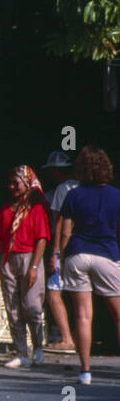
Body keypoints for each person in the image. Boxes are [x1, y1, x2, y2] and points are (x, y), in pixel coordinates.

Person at [56, 145, 120, 386]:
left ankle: (85, 371)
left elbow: (65, 231)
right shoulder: (117, 196)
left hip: (77, 254)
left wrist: (61, 258)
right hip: (107, 254)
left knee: (83, 316)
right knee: (118, 316)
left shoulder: (74, 195)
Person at [0, 165, 50, 369]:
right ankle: (21, 352)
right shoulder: (5, 211)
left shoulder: (37, 210)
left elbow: (42, 239)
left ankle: (38, 347)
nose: (12, 187)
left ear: (27, 183)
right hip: (8, 261)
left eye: (16, 183)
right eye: (10, 183)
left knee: (32, 306)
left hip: (29, 258)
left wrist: (35, 267)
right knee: (12, 308)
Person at [42, 151, 78, 351]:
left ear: (56, 171)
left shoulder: (64, 189)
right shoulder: (84, 186)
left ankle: (67, 338)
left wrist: (55, 252)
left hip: (65, 249)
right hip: (86, 246)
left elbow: (59, 223)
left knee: (54, 292)